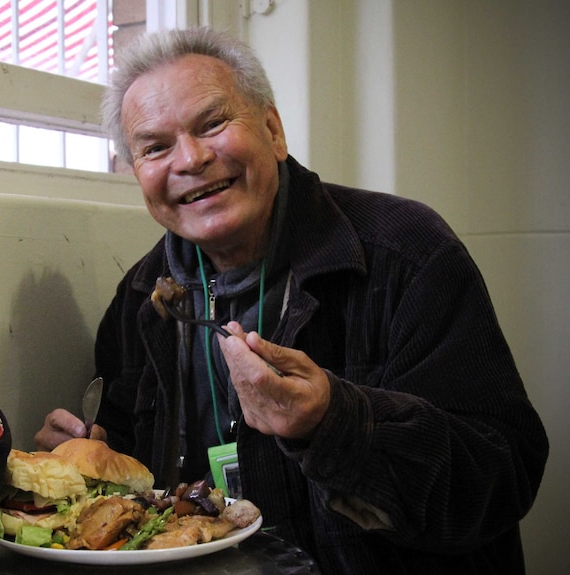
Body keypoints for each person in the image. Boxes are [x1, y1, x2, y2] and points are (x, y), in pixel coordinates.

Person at [35, 27, 548, 574]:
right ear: (138, 173)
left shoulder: (407, 253)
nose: (189, 159)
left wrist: (334, 422)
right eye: (155, 147)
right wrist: (85, 466)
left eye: (212, 124)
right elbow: (137, 485)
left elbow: (501, 479)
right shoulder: (143, 297)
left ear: (273, 132)